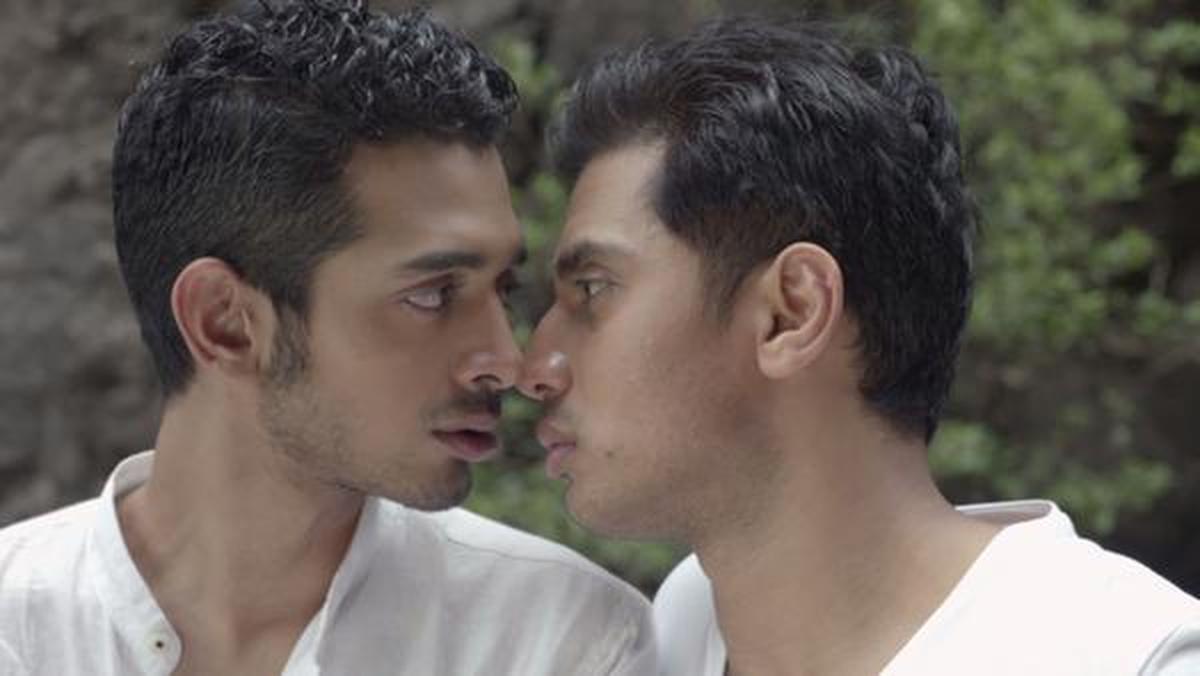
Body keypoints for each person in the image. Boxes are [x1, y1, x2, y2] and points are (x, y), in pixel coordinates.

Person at [518, 16, 1200, 676]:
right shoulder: (681, 625)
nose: (533, 367)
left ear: (792, 312)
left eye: (593, 290)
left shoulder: (1131, 658)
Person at [0, 2, 655, 674]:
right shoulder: (17, 632)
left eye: (503, 289)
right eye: (432, 295)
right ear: (225, 322)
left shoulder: (558, 643)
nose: (506, 362)